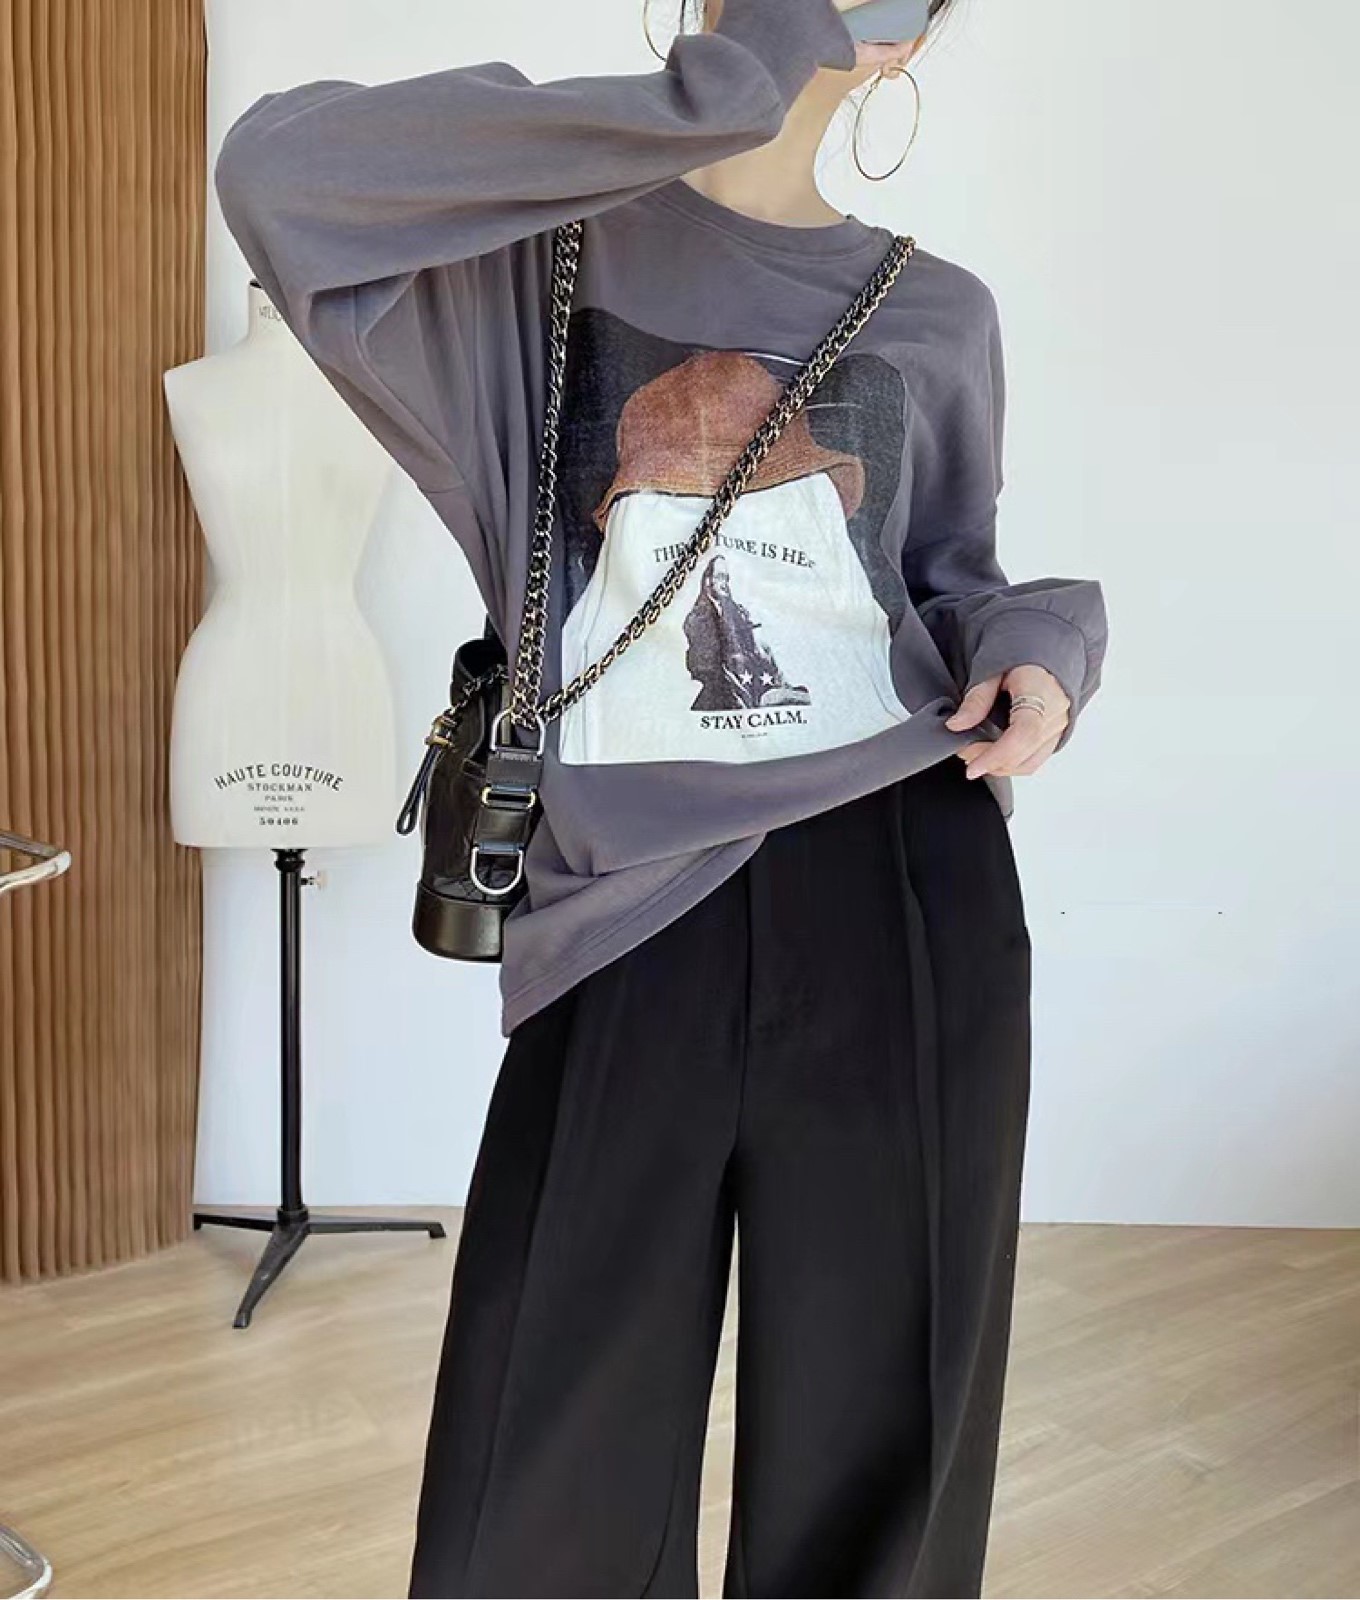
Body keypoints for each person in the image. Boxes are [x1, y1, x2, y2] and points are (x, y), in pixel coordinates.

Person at [213, 0, 1110, 1593]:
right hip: (624, 901)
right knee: (540, 1466)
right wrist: (717, 92)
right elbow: (282, 173)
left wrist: (1040, 651)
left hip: (901, 873)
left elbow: (946, 582)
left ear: (907, 45)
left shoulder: (936, 309)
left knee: (882, 1442)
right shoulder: (519, 264)